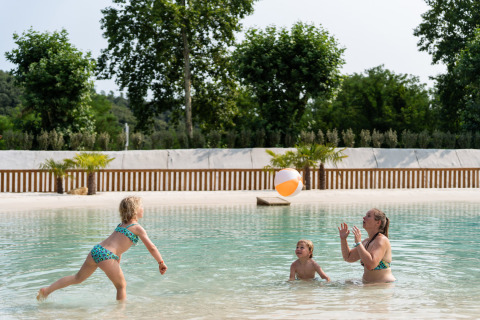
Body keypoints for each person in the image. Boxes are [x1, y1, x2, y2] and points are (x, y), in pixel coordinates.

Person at [37, 196, 167, 301]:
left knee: (77, 278)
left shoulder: (122, 225)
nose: (143, 209)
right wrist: (160, 262)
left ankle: (47, 290)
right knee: (121, 286)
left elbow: (117, 246)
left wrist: (116, 262)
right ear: (134, 210)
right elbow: (152, 247)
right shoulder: (137, 228)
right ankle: (119, 315)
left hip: (97, 251)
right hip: (107, 255)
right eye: (141, 206)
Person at [338, 208, 395, 283]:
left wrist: (358, 243)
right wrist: (343, 239)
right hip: (368, 285)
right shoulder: (366, 242)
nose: (364, 218)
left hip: (382, 287)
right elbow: (348, 258)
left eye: (368, 216)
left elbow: (371, 265)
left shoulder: (382, 240)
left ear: (378, 222)